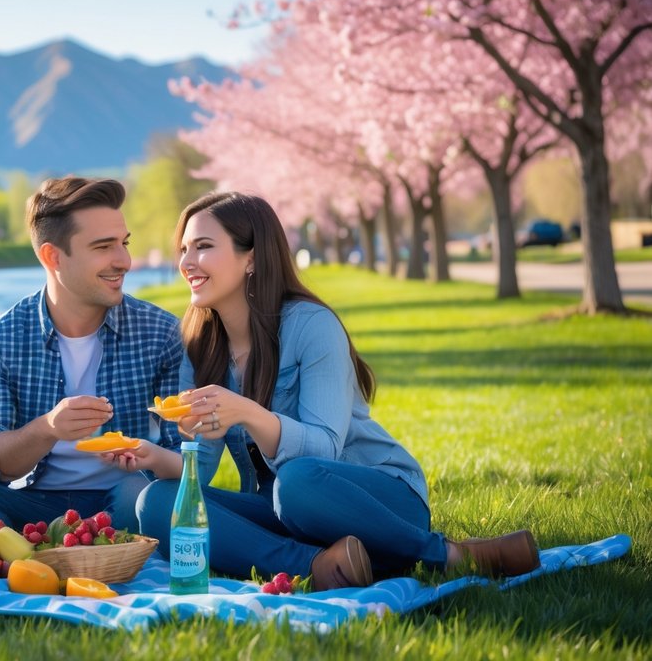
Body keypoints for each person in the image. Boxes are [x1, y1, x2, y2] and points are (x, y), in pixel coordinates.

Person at [120, 191, 541, 591]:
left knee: (297, 482)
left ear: (251, 258)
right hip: (283, 510)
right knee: (157, 503)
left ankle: (444, 554)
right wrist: (152, 456)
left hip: (372, 498)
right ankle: (319, 565)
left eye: (203, 247)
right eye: (183, 249)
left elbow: (323, 451)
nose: (187, 262)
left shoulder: (310, 325)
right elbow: (202, 470)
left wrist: (247, 412)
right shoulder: (202, 346)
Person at [0, 176, 185, 533]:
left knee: (144, 499)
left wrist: (147, 454)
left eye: (124, 243)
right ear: (52, 256)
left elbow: (187, 455)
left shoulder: (161, 334)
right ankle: (43, 547)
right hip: (30, 499)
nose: (124, 261)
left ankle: (54, 550)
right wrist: (47, 429)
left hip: (124, 499)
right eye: (103, 247)